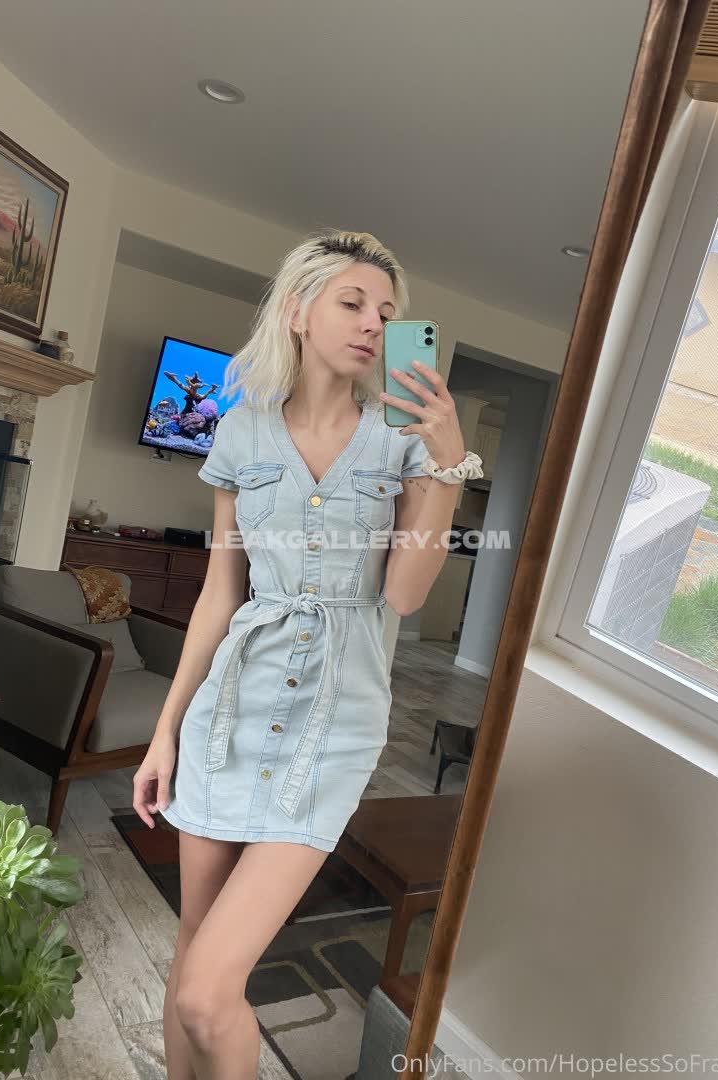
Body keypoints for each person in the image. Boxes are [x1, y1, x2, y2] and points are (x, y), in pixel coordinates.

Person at [132, 229, 482, 1080]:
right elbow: (220, 593)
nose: (373, 324)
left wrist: (448, 468)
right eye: (353, 302)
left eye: (388, 313)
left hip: (333, 731)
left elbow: (405, 595)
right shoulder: (240, 434)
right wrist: (166, 731)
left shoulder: (404, 443)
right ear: (297, 311)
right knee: (193, 958)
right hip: (227, 718)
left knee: (208, 993)